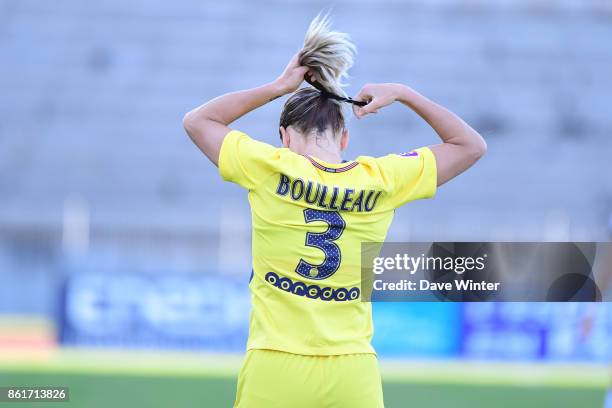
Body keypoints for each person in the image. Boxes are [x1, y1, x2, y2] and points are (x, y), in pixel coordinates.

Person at [183, 14, 486, 408]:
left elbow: (198, 121)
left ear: (283, 136)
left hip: (275, 364)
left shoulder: (269, 166)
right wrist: (405, 93)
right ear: (344, 137)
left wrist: (279, 86)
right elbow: (470, 145)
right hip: (352, 370)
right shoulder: (382, 179)